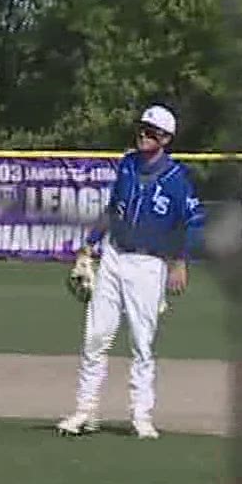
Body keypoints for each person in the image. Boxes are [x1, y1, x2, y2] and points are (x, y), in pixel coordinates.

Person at [55, 104, 205, 440]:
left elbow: (192, 222)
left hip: (149, 264)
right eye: (141, 129)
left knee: (141, 343)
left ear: (166, 138)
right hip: (114, 257)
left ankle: (141, 414)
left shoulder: (176, 178)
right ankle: (85, 410)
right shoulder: (127, 165)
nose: (143, 135)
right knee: (95, 337)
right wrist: (89, 244)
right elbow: (113, 211)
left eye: (151, 132)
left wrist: (179, 261)